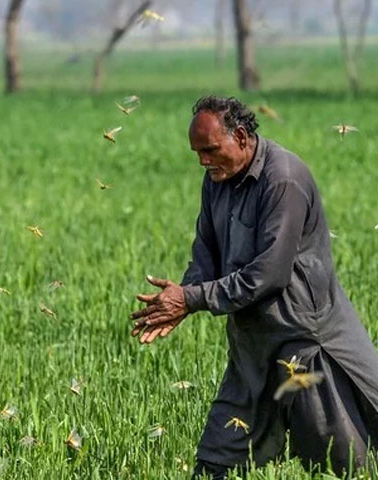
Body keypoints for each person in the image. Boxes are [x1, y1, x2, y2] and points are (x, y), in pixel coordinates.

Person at [129, 96, 378, 478]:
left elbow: (270, 274)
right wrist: (180, 298)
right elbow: (206, 253)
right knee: (217, 460)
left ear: (241, 137)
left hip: (306, 342)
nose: (202, 161)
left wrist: (191, 299)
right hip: (252, 342)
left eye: (210, 150)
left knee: (337, 463)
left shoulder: (284, 180)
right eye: (196, 153)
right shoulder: (216, 180)